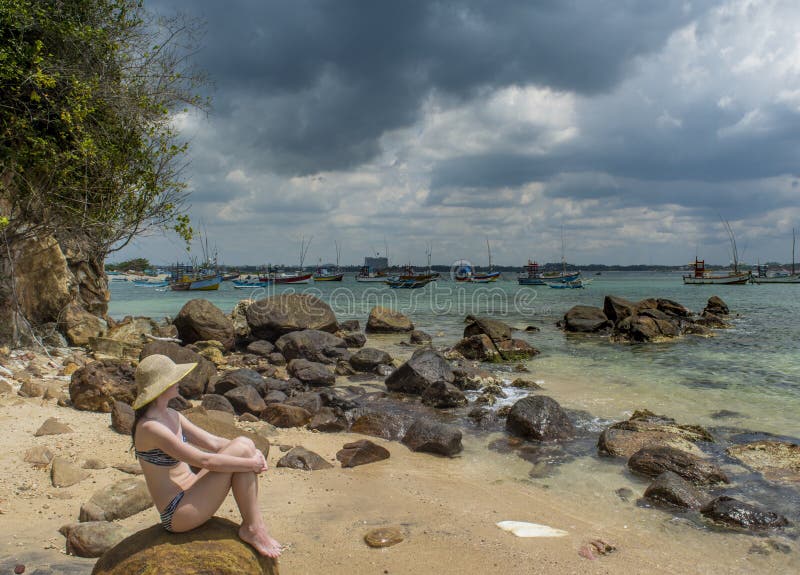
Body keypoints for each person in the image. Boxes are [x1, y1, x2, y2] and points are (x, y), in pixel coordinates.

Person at [131, 354, 281, 558]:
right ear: (162, 386)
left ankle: (254, 526)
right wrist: (250, 463)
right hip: (177, 513)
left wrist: (254, 454)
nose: (179, 381)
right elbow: (204, 460)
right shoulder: (150, 427)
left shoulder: (173, 415)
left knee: (245, 444)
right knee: (244, 454)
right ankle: (253, 528)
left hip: (193, 490)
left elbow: (214, 443)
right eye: (174, 378)